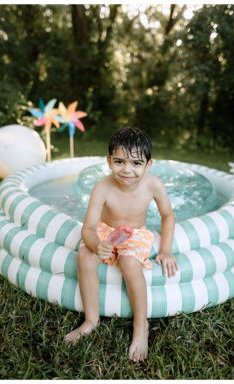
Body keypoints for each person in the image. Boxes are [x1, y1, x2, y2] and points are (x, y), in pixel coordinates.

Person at [64, 127, 178, 362]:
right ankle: (91, 320)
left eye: (136, 163)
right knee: (84, 256)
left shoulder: (153, 185)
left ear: (148, 164)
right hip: (106, 229)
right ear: (109, 161)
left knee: (128, 262)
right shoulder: (102, 187)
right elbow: (88, 228)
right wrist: (96, 244)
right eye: (119, 161)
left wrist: (166, 250)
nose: (127, 170)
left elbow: (167, 215)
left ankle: (140, 326)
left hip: (135, 233)